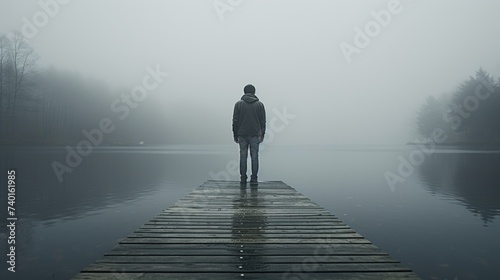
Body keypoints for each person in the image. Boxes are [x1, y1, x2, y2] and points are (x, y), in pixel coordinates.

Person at [232, 84, 266, 184]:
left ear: (244, 92)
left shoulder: (238, 104)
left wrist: (235, 134)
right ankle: (254, 179)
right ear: (254, 92)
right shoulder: (260, 105)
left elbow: (235, 121)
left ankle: (243, 178)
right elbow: (262, 122)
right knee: (254, 157)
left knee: (243, 157)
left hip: (242, 134)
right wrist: (262, 134)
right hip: (255, 134)